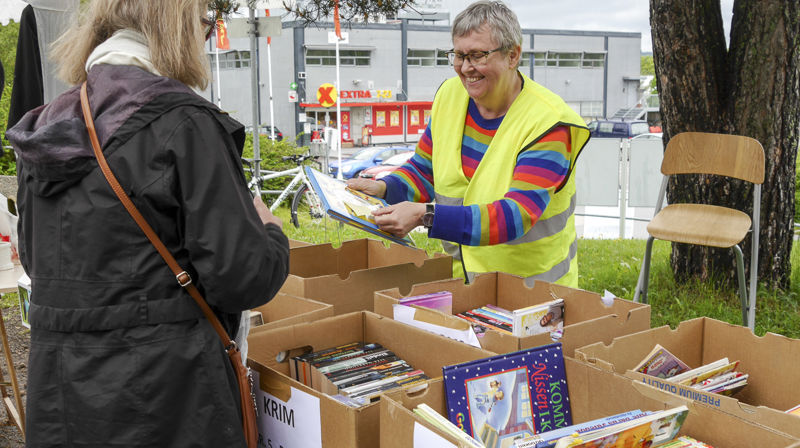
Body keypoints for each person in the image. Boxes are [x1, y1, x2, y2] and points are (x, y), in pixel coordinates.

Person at [6, 1, 290, 446]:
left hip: (61, 395)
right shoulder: (184, 122)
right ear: (176, 23)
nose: (207, 34)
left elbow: (39, 265)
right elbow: (243, 278)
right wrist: (271, 231)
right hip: (168, 397)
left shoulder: (46, 124)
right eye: (204, 23)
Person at [347, 0, 590, 287]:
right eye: (459, 55)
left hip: (536, 294)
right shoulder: (450, 96)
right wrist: (385, 188)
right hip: (470, 285)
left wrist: (425, 216)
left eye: (477, 55)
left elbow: (515, 215)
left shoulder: (549, 124)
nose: (465, 68)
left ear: (512, 56)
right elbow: (425, 169)